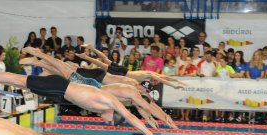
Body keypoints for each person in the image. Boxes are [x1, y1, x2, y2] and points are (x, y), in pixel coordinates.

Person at [19, 47, 177, 129]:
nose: (145, 94)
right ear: (143, 90)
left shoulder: (134, 95)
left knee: (65, 70)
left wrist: (153, 118)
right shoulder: (133, 90)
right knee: (64, 68)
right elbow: (148, 105)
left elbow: (148, 107)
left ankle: (38, 61)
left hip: (96, 82)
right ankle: (38, 56)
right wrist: (165, 118)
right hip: (95, 80)